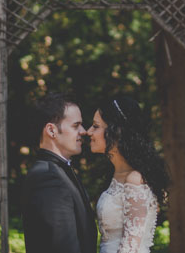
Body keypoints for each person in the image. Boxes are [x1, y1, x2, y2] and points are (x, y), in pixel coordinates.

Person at [87, 95, 168, 253]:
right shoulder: (116, 174)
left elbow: (130, 248)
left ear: (116, 131)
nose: (89, 132)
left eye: (95, 126)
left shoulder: (135, 179)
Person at [22, 93, 97, 253]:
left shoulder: (58, 171)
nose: (83, 131)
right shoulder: (48, 177)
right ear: (52, 130)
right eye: (76, 126)